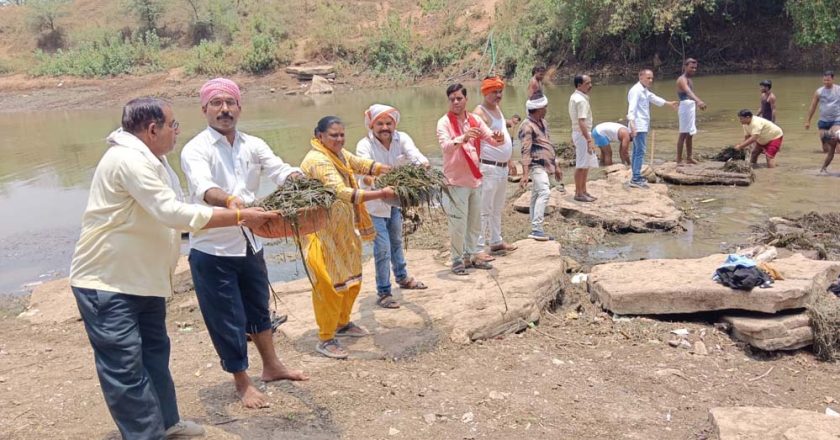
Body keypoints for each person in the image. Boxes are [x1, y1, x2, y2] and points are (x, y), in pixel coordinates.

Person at [70, 97, 280, 439]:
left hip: (145, 280)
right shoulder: (127, 160)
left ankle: (168, 424)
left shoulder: (155, 159)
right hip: (108, 282)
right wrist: (241, 216)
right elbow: (172, 212)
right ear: (153, 129)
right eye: (173, 125)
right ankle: (145, 435)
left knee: (155, 355)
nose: (177, 132)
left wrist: (230, 209)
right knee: (124, 368)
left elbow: (176, 213)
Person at [180, 78, 310, 409]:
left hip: (251, 242)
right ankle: (242, 382)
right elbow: (203, 189)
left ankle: (272, 366)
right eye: (216, 104)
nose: (224, 110)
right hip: (213, 249)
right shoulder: (196, 149)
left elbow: (279, 169)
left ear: (240, 107)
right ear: (204, 109)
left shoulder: (253, 144)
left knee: (257, 307)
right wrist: (233, 202)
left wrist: (299, 180)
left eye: (230, 103)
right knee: (227, 318)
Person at [301, 116, 396, 358]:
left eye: (342, 135)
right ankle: (325, 338)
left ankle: (342, 323)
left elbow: (359, 163)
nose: (339, 139)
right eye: (334, 135)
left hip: (342, 230)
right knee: (329, 285)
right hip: (320, 233)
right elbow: (341, 192)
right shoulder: (317, 160)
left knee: (352, 280)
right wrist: (380, 193)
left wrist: (386, 170)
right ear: (320, 135)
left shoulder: (339, 155)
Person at [355, 104, 429, 309]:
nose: (385, 127)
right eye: (380, 123)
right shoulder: (364, 145)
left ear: (394, 124)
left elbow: (415, 156)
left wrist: (424, 166)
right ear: (371, 125)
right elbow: (365, 175)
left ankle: (402, 277)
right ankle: (384, 292)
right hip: (372, 204)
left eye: (389, 123)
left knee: (396, 240)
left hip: (395, 201)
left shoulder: (402, 138)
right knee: (382, 247)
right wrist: (380, 185)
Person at [436, 83, 504, 275]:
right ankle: (457, 259)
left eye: (459, 98)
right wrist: (463, 138)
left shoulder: (474, 120)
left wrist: (499, 137)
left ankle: (471, 254)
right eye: (452, 99)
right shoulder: (444, 123)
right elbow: (446, 146)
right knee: (458, 223)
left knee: (474, 222)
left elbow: (491, 139)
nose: (456, 102)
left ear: (466, 99)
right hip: (455, 181)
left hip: (475, 179)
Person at [473, 76, 518, 259]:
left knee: (497, 206)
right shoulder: (479, 113)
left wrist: (509, 160)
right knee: (484, 208)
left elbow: (504, 133)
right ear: (485, 93)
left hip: (501, 166)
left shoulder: (497, 109)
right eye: (494, 92)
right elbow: (475, 141)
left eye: (500, 92)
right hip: (488, 167)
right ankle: (478, 247)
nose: (498, 95)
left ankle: (496, 241)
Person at [626, 69, 678, 188]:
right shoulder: (636, 91)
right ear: (640, 77)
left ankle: (636, 175)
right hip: (638, 125)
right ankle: (635, 178)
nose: (650, 80)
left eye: (652, 78)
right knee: (640, 151)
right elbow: (631, 108)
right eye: (648, 78)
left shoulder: (644, 90)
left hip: (642, 125)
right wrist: (632, 125)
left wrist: (668, 103)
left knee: (637, 151)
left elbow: (653, 98)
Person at [519, 92, 560, 241]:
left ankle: (535, 228)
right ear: (538, 109)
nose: (547, 110)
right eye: (545, 107)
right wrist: (525, 174)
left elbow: (548, 144)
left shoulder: (544, 123)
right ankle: (536, 228)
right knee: (544, 192)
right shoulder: (527, 126)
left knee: (536, 194)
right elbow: (525, 150)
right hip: (536, 165)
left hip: (546, 164)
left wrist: (556, 165)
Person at [569, 74, 599, 202]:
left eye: (590, 83)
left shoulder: (576, 97)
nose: (590, 86)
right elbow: (581, 121)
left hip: (582, 133)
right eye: (587, 83)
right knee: (581, 165)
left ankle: (583, 190)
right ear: (579, 85)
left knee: (586, 164)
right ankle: (578, 193)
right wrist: (588, 139)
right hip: (582, 134)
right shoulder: (580, 100)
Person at [675, 58, 707, 164]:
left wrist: (695, 103)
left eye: (695, 68)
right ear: (685, 67)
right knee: (683, 134)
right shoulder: (682, 79)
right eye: (691, 67)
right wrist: (699, 101)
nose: (694, 69)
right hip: (685, 107)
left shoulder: (690, 80)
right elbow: (688, 92)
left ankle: (689, 157)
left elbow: (690, 94)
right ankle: (679, 160)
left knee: (690, 133)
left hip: (690, 107)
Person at [806, 71, 840, 153]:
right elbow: (813, 106)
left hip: (836, 119)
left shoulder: (838, 90)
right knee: (825, 148)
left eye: (828, 80)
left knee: (837, 141)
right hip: (823, 121)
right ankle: (828, 163)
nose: (826, 82)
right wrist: (808, 120)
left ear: (833, 79)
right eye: (824, 80)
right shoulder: (819, 92)